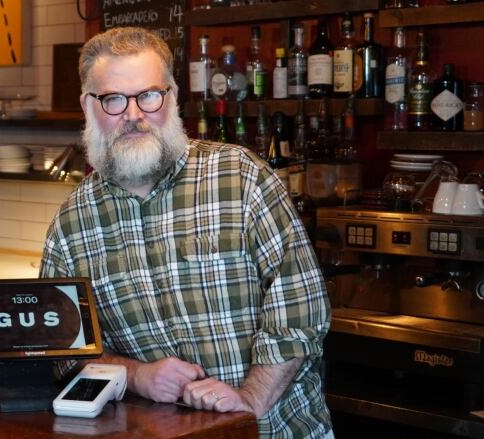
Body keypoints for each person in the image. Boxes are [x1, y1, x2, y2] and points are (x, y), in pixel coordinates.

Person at [39, 27, 332, 438]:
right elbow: (63, 353)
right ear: (88, 105)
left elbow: (300, 310)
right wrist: (138, 375)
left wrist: (250, 399)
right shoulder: (71, 225)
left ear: (173, 96)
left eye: (149, 95)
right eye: (113, 99)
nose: (134, 114)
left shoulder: (241, 177)